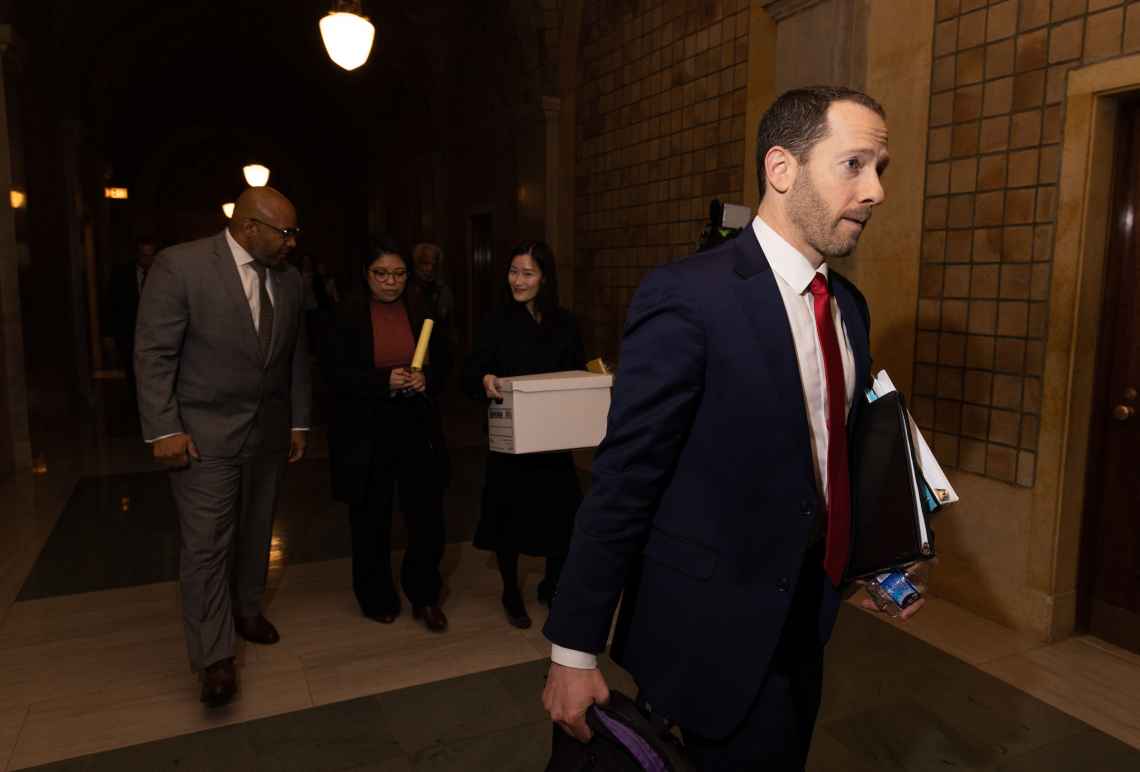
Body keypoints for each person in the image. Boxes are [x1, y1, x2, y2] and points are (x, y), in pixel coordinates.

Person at [541, 87, 927, 770]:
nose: (875, 191)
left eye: (881, 169)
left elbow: (838, 453)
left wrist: (878, 557)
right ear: (782, 168)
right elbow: (625, 481)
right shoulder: (689, 297)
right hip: (706, 640)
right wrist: (573, 650)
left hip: (807, 622)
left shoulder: (851, 308)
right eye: (854, 164)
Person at [135, 187, 311, 707]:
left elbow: (295, 356)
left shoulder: (291, 279)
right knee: (208, 543)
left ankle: (248, 609)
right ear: (248, 226)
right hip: (203, 433)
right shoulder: (181, 266)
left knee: (258, 528)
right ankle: (214, 657)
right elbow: (153, 353)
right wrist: (163, 428)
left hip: (269, 432)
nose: (292, 244)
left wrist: (299, 421)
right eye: (284, 233)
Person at [327, 236, 450, 633]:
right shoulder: (346, 313)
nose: (391, 282)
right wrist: (383, 381)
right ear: (366, 274)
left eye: (398, 274)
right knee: (370, 517)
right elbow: (333, 375)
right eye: (381, 273)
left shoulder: (421, 308)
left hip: (416, 422)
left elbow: (446, 358)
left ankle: (425, 594)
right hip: (367, 428)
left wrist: (424, 377)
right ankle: (377, 596)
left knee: (425, 515)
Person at [463, 241, 586, 629]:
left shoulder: (565, 323)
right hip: (510, 439)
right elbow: (472, 371)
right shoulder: (495, 321)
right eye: (514, 272)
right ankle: (510, 591)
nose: (518, 280)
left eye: (528, 273)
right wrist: (485, 379)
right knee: (508, 520)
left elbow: (575, 372)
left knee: (563, 517)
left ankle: (553, 585)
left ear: (545, 278)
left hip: (551, 438)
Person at [107, 236, 158, 402]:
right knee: (132, 378)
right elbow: (113, 306)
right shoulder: (122, 275)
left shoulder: (162, 275)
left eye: (151, 256)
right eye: (144, 256)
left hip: (156, 336)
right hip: (130, 336)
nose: (147, 260)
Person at [409, 242, 454, 327]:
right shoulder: (408, 286)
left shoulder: (441, 287)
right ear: (417, 263)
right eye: (425, 264)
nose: (430, 268)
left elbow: (447, 319)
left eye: (433, 264)